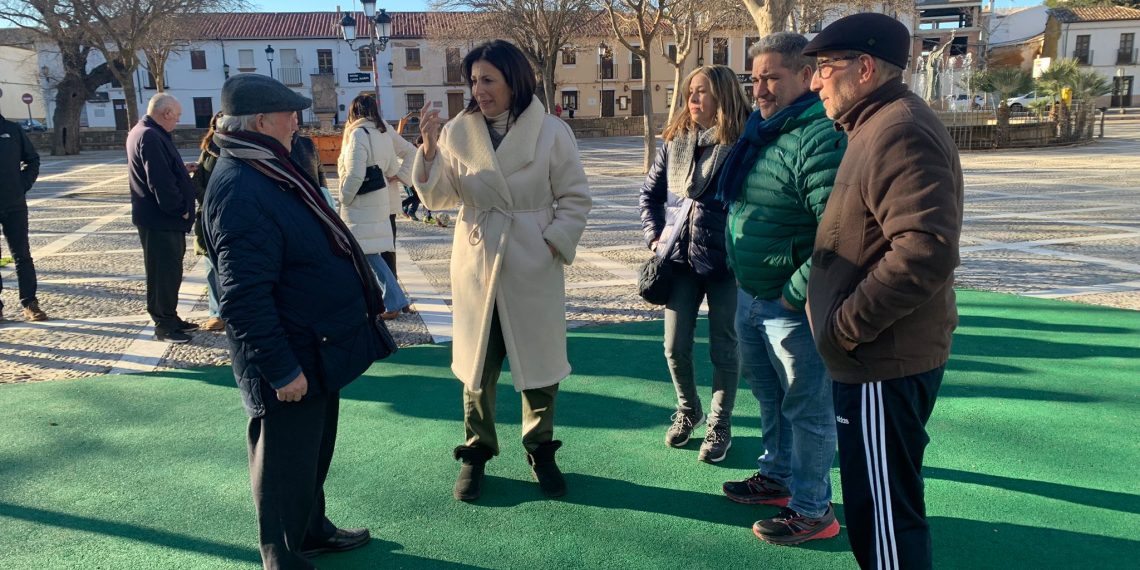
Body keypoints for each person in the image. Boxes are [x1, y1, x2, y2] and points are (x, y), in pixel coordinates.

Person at [202, 74, 396, 569]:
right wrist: (282, 369)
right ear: (262, 121)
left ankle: (310, 529)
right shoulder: (242, 186)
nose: (297, 121)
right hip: (289, 353)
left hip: (314, 343)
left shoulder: (267, 167)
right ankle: (283, 556)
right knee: (285, 463)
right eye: (289, 113)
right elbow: (243, 298)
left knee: (310, 454)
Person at [802, 14, 964, 569]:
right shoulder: (873, 123)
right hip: (872, 360)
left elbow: (924, 250)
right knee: (877, 510)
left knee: (884, 517)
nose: (815, 81)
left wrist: (845, 328)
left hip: (879, 361)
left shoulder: (898, 127)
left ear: (865, 68)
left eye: (824, 67)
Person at [414, 40, 591, 502]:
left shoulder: (551, 131)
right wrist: (430, 151)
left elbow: (574, 197)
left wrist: (551, 242)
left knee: (540, 364)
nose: (479, 89)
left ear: (514, 80)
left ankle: (540, 448)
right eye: (473, 80)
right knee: (477, 366)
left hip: (532, 259)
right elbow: (438, 200)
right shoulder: (457, 131)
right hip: (477, 258)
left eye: (488, 79)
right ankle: (476, 452)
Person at [715, 32, 847, 546]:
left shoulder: (818, 135)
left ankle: (814, 509)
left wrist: (795, 292)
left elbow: (835, 230)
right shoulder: (762, 129)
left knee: (808, 409)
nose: (760, 88)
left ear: (804, 76)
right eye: (756, 77)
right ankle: (778, 476)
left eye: (772, 77)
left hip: (790, 304)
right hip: (753, 293)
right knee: (769, 395)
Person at [638, 65, 749, 463]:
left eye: (701, 92)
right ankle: (689, 410)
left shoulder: (744, 142)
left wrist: (743, 246)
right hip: (681, 261)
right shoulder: (677, 141)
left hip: (726, 265)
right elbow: (649, 195)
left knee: (725, 348)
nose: (693, 99)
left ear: (723, 95)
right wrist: (654, 236)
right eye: (690, 92)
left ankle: (720, 422)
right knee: (674, 346)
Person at [336, 93, 415, 319]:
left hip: (363, 203)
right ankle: (388, 300)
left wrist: (344, 197)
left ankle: (391, 300)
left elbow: (354, 173)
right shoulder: (381, 132)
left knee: (368, 254)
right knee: (372, 253)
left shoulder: (359, 133)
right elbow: (390, 164)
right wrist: (395, 175)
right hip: (380, 202)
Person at [126, 93, 198, 343]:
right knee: (163, 273)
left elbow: (162, 169)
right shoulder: (149, 135)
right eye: (176, 117)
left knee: (169, 271)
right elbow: (159, 181)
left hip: (159, 219)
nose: (177, 121)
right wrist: (182, 209)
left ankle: (169, 316)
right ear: (166, 113)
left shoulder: (145, 131)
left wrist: (182, 168)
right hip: (162, 220)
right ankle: (164, 324)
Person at [0, 111, 45, 323]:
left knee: (22, 255)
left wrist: (22, 186)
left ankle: (29, 303)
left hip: (14, 205)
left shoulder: (12, 130)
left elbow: (32, 159)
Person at [191, 112, 226, 331]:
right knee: (212, 267)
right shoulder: (208, 152)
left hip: (234, 215)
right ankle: (217, 312)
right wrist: (211, 202)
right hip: (210, 218)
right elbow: (198, 184)